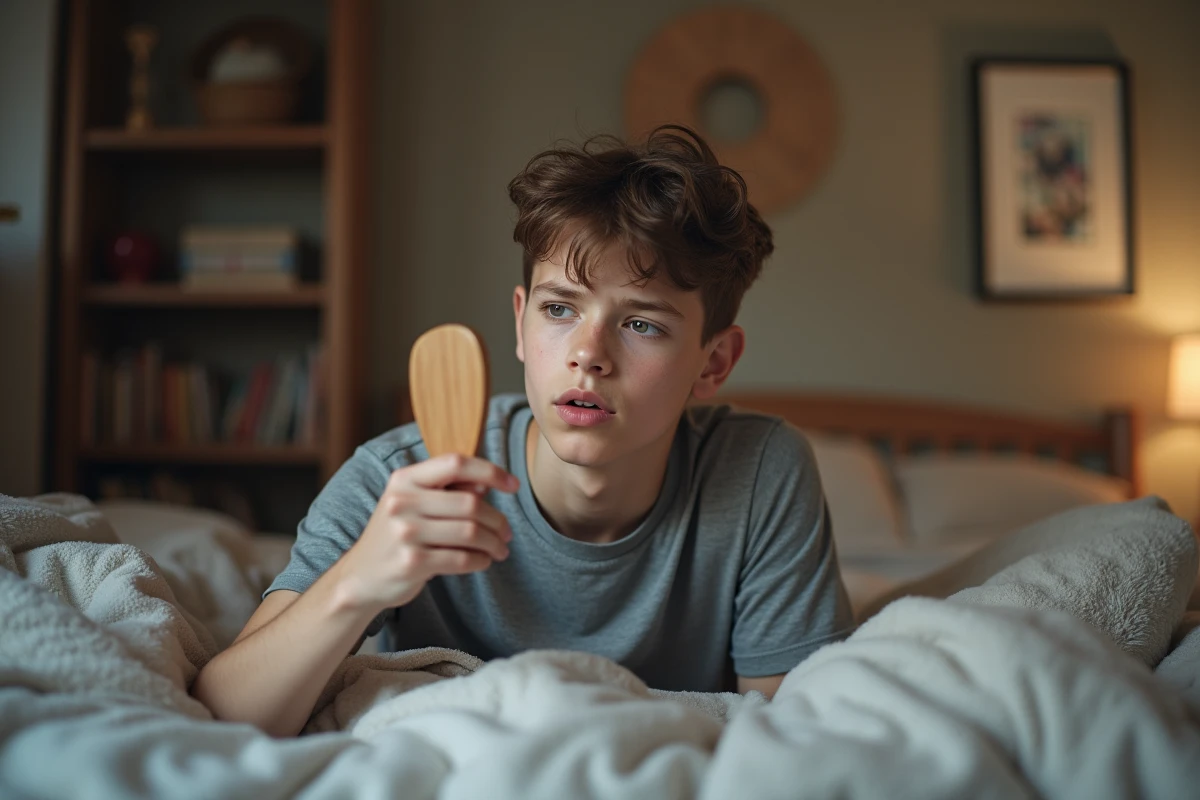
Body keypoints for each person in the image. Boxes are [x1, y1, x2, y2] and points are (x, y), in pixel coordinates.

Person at [191, 125, 853, 737]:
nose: (588, 354)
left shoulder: (760, 472)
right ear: (520, 322)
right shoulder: (401, 477)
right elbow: (224, 713)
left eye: (641, 324)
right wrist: (358, 581)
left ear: (714, 363)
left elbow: (793, 739)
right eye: (560, 309)